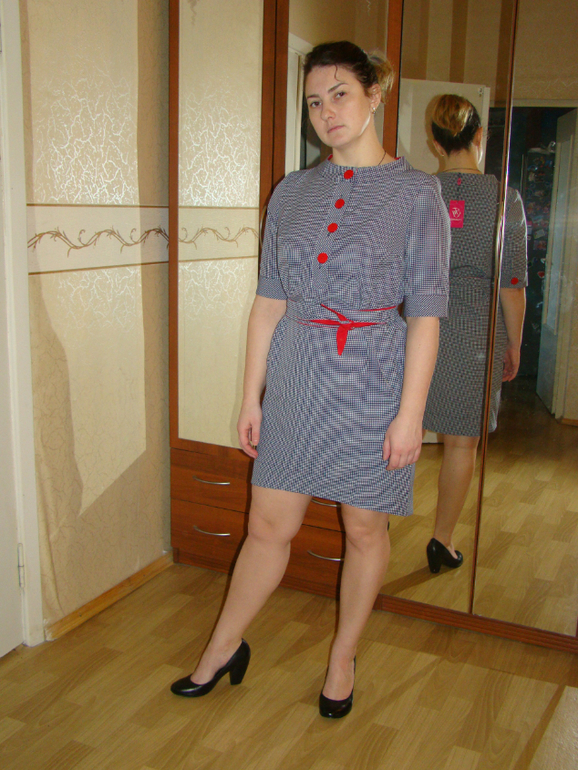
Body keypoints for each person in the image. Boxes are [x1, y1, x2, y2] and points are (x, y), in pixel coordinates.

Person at [170, 41, 450, 718]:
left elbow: (427, 315)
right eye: (314, 101)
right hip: (297, 373)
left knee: (363, 528)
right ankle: (222, 648)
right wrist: (251, 396)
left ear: (375, 94)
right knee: (267, 525)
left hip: (372, 378)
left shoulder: (418, 194)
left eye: (340, 94)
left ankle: (343, 656)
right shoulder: (291, 192)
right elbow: (268, 303)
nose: (327, 112)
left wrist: (410, 415)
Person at [422, 94, 527, 573]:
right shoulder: (504, 199)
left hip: (417, 327)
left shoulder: (420, 192)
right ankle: (441, 542)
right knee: (461, 444)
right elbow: (511, 285)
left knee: (400, 433)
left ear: (435, 143)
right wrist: (515, 343)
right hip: (474, 336)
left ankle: (373, 529)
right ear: (479, 136)